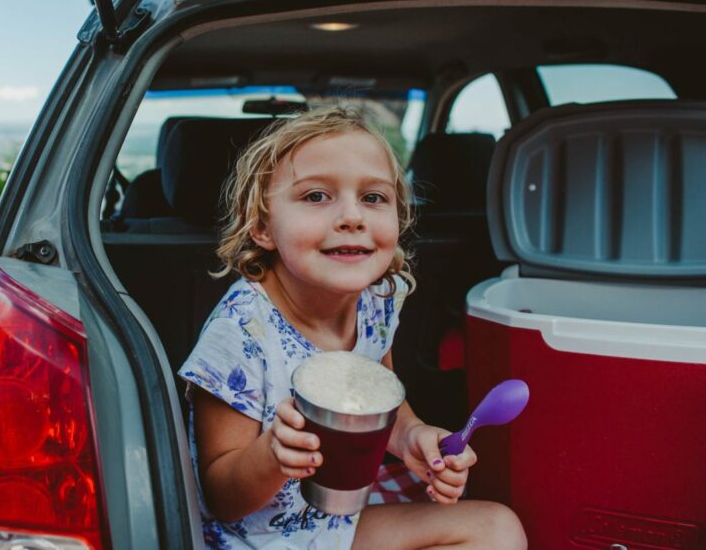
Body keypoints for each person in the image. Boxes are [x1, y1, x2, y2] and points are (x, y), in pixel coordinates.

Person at [178, 106, 526, 550]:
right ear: (262, 226)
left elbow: (383, 400)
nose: (352, 217)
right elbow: (221, 497)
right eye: (316, 197)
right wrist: (271, 456)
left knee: (499, 529)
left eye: (374, 198)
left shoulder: (379, 300)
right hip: (259, 539)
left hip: (339, 523)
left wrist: (413, 436)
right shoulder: (240, 332)